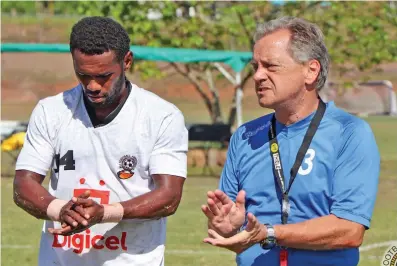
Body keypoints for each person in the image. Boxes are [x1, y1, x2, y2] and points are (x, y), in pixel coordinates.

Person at [201, 16, 380, 266]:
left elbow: (350, 229)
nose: (258, 76)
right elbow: (234, 228)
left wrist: (271, 234)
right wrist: (227, 227)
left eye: (271, 66)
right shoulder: (244, 137)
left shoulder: (349, 132)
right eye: (256, 67)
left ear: (311, 70)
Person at [13, 16, 188, 266]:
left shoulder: (161, 116)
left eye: (104, 76)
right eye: (83, 75)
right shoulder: (50, 111)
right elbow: (23, 185)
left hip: (132, 259)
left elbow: (169, 196)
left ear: (127, 61)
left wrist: (105, 213)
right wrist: (60, 210)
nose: (92, 86)